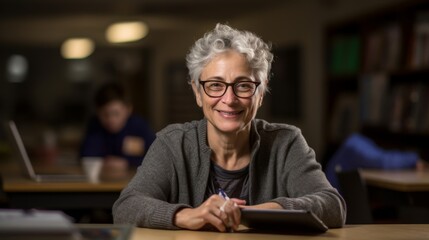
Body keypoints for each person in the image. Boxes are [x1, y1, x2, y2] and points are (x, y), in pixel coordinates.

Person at [113, 23, 346, 232]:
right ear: (197, 92)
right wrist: (185, 215)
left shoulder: (286, 142)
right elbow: (126, 207)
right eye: (215, 85)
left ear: (261, 92)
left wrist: (263, 212)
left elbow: (333, 206)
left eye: (243, 86)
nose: (229, 98)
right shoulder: (173, 143)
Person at [80, 82, 156, 174]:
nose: (111, 120)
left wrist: (127, 162)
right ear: (97, 112)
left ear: (128, 109)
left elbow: (156, 159)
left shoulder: (139, 126)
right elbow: (87, 157)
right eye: (105, 114)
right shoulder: (95, 127)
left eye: (116, 113)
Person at [325, 133, 428, 190]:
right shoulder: (354, 145)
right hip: (345, 212)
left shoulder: (354, 144)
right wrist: (414, 159)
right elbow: (382, 161)